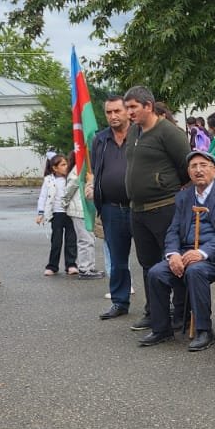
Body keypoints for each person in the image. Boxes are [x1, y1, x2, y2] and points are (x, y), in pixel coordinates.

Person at [138, 150, 215, 352]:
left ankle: (204, 330)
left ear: (214, 170)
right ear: (188, 172)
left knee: (196, 270)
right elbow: (173, 230)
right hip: (186, 253)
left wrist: (202, 253)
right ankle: (162, 329)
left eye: (203, 165)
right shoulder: (184, 197)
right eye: (193, 166)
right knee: (156, 273)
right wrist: (173, 254)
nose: (198, 170)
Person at [123, 85, 191, 331]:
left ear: (148, 106)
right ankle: (155, 313)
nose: (129, 112)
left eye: (133, 107)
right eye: (127, 107)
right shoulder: (133, 131)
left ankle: (182, 312)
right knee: (148, 264)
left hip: (165, 207)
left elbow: (186, 167)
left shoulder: (169, 133)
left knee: (173, 262)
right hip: (138, 210)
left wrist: (162, 184)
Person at [89, 95, 135, 319]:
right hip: (111, 209)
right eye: (109, 112)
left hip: (139, 207)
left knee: (150, 259)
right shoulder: (100, 140)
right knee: (117, 260)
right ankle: (120, 301)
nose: (113, 116)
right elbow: (97, 169)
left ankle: (156, 306)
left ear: (127, 112)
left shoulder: (140, 135)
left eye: (117, 111)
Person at [35, 153, 78, 276]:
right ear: (55, 168)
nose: (66, 166)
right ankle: (52, 266)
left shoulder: (71, 177)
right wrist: (40, 213)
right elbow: (43, 197)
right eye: (63, 165)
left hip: (70, 213)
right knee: (56, 241)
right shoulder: (49, 180)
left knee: (71, 240)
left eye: (66, 164)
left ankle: (71, 264)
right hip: (57, 214)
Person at [64, 163, 101, 279]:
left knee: (90, 238)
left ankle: (90, 266)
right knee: (85, 239)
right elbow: (71, 185)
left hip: (88, 208)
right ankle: (85, 269)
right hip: (79, 209)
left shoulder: (90, 164)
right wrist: (64, 201)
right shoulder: (80, 166)